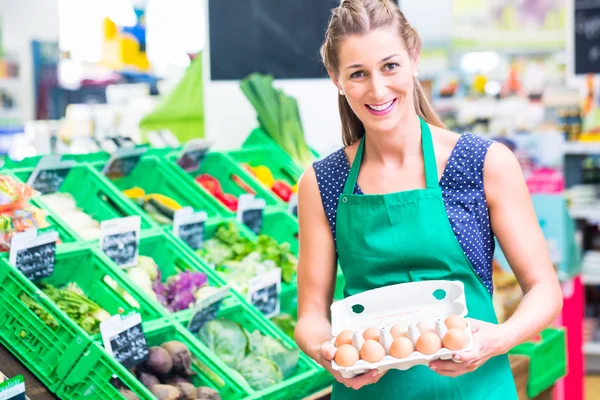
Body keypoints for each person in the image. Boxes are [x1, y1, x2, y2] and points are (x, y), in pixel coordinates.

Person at [293, 0, 563, 399]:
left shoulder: (483, 163)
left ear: (413, 58)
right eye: (357, 74)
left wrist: (500, 338)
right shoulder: (322, 182)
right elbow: (311, 315)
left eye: (390, 66)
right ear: (336, 78)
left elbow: (544, 288)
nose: (378, 89)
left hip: (476, 387)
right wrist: (327, 351)